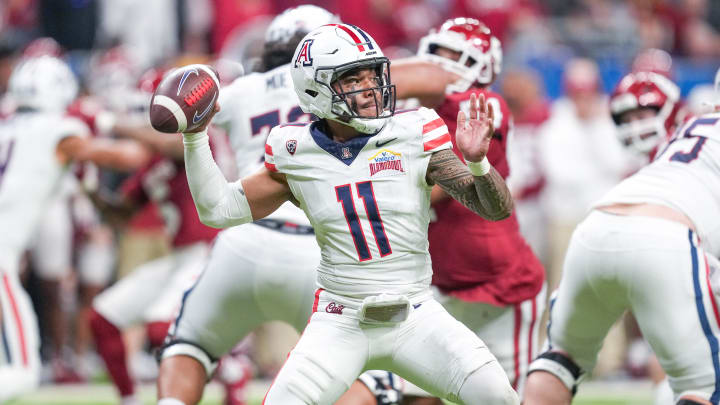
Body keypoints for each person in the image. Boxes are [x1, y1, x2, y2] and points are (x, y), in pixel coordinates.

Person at [178, 22, 517, 405]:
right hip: (339, 320)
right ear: (316, 89)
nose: (372, 88)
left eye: (374, 74)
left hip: (417, 315)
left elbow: (495, 209)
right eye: (354, 80)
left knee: (497, 396)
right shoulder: (294, 150)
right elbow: (219, 209)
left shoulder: (415, 130)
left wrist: (477, 164)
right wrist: (195, 138)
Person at [523, 71, 720, 405]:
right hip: (665, 234)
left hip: (596, 226)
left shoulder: (692, 129)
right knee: (705, 387)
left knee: (561, 359)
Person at [0, 55, 150, 402]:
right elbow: (129, 157)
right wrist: (113, 122)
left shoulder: (6, 126)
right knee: (23, 374)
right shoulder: (59, 131)